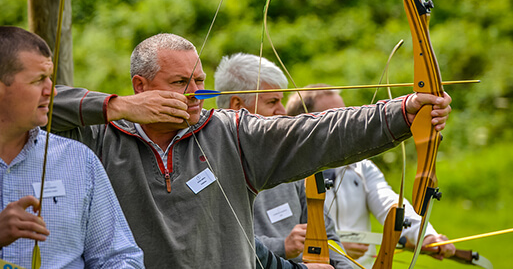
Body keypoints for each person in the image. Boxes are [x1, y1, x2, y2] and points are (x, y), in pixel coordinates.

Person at [50, 33, 452, 269]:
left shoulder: (231, 133)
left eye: (199, 80)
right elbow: (32, 103)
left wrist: (402, 112)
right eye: (179, 83)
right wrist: (116, 108)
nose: (195, 94)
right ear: (140, 86)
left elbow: (315, 133)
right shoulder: (101, 137)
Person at [0, 26, 144, 268]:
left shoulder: (79, 160)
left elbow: (119, 257)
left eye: (50, 78)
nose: (52, 91)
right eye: (38, 80)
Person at [286, 85, 456, 268]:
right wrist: (335, 248)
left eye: (343, 115)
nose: (342, 123)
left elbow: (389, 203)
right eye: (331, 118)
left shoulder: (361, 166)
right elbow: (282, 237)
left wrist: (426, 235)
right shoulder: (284, 173)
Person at [215, 53, 350, 269]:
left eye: (281, 100)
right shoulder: (210, 166)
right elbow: (224, 246)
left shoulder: (292, 162)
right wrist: (282, 246)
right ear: (237, 105)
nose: (282, 111)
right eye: (272, 102)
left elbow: (329, 238)